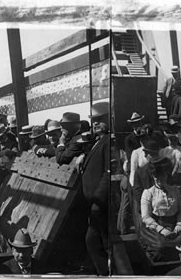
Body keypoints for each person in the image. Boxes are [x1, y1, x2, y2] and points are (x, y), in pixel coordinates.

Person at [81, 102, 110, 275]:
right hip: (94, 204)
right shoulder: (99, 141)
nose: (95, 123)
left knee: (102, 243)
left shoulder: (108, 142)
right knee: (92, 241)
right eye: (94, 120)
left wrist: (97, 200)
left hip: (100, 204)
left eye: (100, 119)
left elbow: (108, 173)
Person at [140, 157, 181, 261]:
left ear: (166, 175)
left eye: (162, 176)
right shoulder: (148, 193)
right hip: (157, 226)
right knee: (161, 246)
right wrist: (161, 230)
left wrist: (179, 225)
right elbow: (146, 217)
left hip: (174, 224)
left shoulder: (174, 189)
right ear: (153, 177)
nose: (160, 179)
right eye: (156, 177)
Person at [0, 123, 18, 197]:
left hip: (8, 175)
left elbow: (15, 153)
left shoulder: (12, 144)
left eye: (1, 137)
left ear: (5, 134)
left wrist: (7, 152)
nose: (0, 139)